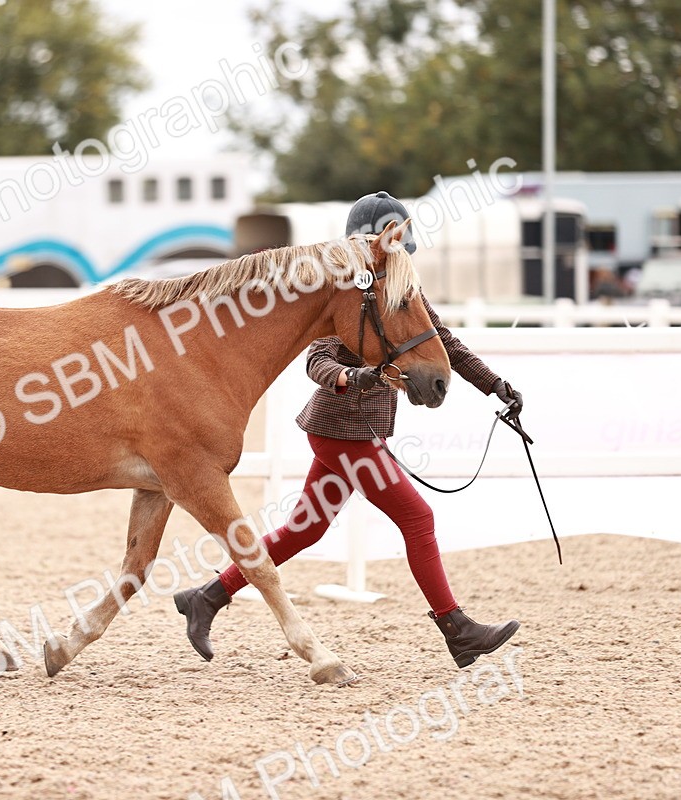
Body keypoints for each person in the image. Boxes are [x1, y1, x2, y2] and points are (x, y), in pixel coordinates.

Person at [173, 191, 523, 670]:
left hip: (356, 433)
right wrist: (351, 375)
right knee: (417, 518)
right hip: (344, 432)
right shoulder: (348, 296)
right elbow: (317, 360)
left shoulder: (401, 293)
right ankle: (456, 629)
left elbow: (446, 346)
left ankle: (208, 596)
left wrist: (495, 386)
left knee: (304, 529)